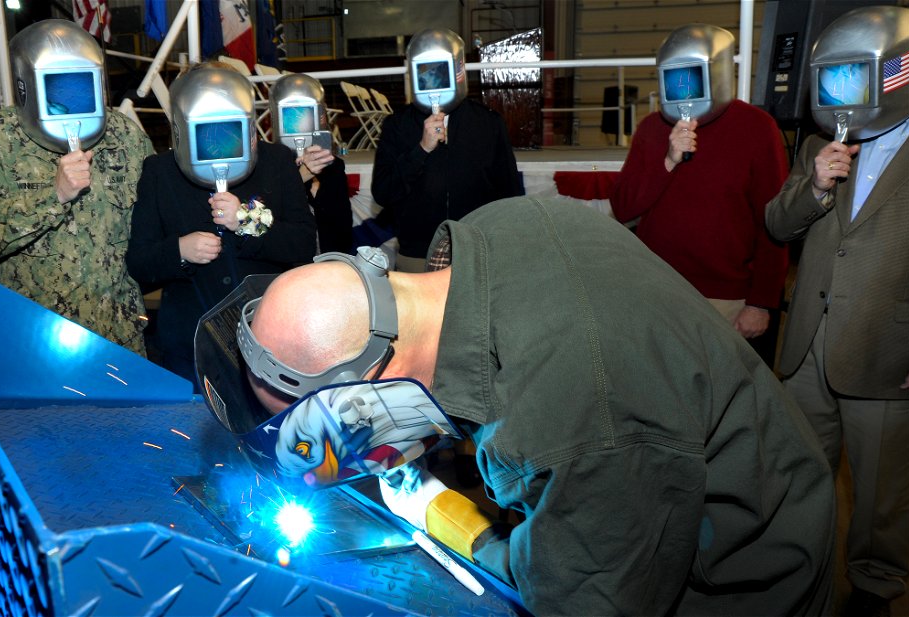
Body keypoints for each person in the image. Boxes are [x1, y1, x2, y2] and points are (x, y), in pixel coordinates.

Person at [200, 194, 836, 616]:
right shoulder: (498, 228)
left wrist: (442, 513)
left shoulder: (573, 422)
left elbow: (580, 594)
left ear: (371, 386)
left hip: (746, 574)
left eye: (332, 435)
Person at [764, 7, 909, 617]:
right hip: (805, 348)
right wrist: (816, 185)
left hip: (887, 352)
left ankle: (875, 591)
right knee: (799, 474)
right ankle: (806, 577)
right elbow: (776, 223)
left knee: (881, 499)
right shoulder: (822, 148)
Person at [0, 20, 152, 355]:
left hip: (121, 338)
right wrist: (53, 196)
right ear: (24, 85)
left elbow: (156, 221)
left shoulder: (126, 137)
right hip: (36, 340)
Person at [126, 65, 315, 384]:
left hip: (268, 335)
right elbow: (140, 263)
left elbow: (303, 242)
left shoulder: (276, 162)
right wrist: (179, 250)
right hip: (190, 343)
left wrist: (248, 221)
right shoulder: (160, 172)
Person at [610, 24, 788, 358]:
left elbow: (773, 222)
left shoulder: (755, 128)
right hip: (655, 290)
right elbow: (622, 206)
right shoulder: (651, 128)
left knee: (724, 396)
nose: (683, 90)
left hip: (726, 300)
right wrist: (668, 160)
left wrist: (761, 303)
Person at [371, 28, 522, 273]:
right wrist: (421, 150)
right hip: (416, 256)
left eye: (441, 71)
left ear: (459, 70)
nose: (433, 82)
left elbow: (509, 194)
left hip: (476, 255)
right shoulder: (396, 126)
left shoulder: (488, 124)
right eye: (425, 72)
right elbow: (383, 193)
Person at [270, 73, 354, 255]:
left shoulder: (333, 166)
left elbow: (343, 229)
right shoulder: (271, 165)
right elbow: (271, 216)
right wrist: (301, 176)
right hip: (291, 262)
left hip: (329, 260)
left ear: (321, 117)